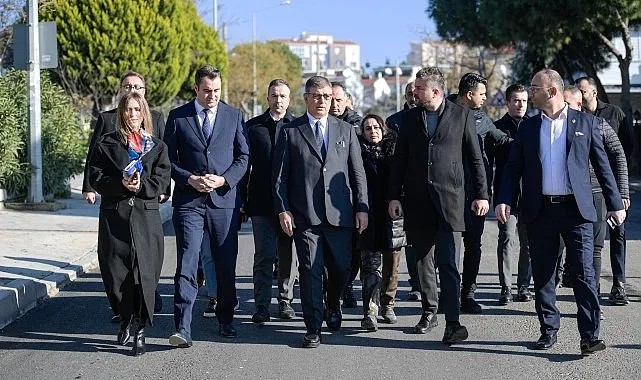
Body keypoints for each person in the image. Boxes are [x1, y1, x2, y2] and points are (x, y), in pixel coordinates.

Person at [496, 69, 625, 355]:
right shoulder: (528, 128)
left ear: (551, 91)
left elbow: (603, 166)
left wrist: (616, 202)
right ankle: (548, 330)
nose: (531, 93)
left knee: (584, 274)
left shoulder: (586, 123)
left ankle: (590, 336)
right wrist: (503, 198)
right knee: (543, 275)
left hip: (576, 211)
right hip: (540, 210)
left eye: (534, 88)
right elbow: (513, 167)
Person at [388, 66, 489, 344]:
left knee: (448, 262)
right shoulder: (409, 119)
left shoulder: (462, 116)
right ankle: (429, 312)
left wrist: (482, 194)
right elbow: (400, 160)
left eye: (419, 88)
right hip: (418, 201)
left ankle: (453, 322)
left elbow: (475, 158)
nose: (414, 92)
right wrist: (394, 196)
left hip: (451, 201)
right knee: (423, 262)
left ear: (435, 91)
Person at [272, 75, 368, 348]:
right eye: (316, 96)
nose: (322, 101)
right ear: (306, 99)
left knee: (341, 267)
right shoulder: (291, 131)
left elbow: (357, 173)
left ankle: (334, 302)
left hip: (340, 214)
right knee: (310, 271)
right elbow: (279, 178)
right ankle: (313, 327)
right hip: (305, 216)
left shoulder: (346, 130)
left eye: (327, 97)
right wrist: (283, 210)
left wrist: (362, 207)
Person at [164, 65, 249, 346]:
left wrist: (224, 180)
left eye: (216, 91)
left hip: (223, 202)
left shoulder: (234, 116)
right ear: (196, 90)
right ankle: (182, 328)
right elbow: (168, 160)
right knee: (188, 262)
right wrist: (190, 178)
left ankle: (226, 319)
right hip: (190, 202)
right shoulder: (178, 117)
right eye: (207, 91)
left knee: (225, 262)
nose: (212, 96)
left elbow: (243, 157)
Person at [88, 91, 171, 356]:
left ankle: (141, 328)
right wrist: (119, 185)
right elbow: (96, 177)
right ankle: (124, 317)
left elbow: (162, 180)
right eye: (128, 109)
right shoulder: (106, 144)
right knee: (116, 273)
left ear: (144, 112)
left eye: (137, 109)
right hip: (115, 215)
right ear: (122, 113)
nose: (133, 114)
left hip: (146, 217)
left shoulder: (156, 146)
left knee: (143, 274)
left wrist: (141, 185)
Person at [563, 85, 628, 313]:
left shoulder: (597, 124)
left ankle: (595, 300)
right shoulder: (553, 127)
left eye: (567, 105)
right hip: (567, 197)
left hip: (597, 193)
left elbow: (619, 156)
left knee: (595, 250)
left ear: (579, 105)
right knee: (562, 249)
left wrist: (621, 193)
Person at [455, 73, 512, 314]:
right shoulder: (444, 113)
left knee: (473, 246)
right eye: (481, 94)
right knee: (445, 247)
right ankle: (443, 295)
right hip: (447, 193)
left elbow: (503, 142)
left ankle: (467, 294)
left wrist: (530, 142)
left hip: (476, 195)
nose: (485, 98)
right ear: (469, 95)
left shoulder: (483, 119)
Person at [244, 79, 297, 324]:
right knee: (264, 255)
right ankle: (262, 305)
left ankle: (285, 301)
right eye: (274, 96)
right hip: (261, 203)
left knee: (287, 255)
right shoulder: (253, 127)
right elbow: (244, 166)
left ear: (290, 98)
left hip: (290, 204)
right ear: (267, 98)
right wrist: (242, 200)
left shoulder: (297, 127)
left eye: (283, 96)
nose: (278, 100)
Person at [357, 114, 405, 332]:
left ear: (383, 129)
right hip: (368, 216)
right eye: (368, 129)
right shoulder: (357, 154)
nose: (372, 131)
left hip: (392, 215)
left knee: (392, 264)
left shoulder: (394, 152)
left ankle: (388, 304)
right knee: (369, 265)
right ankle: (370, 311)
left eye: (376, 127)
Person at [490, 84, 532, 305]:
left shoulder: (535, 126)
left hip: (531, 194)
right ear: (507, 102)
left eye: (524, 101)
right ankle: (506, 287)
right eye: (516, 100)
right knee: (506, 239)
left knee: (528, 243)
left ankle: (523, 286)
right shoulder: (497, 128)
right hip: (507, 195)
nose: (520, 105)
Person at [386, 81, 422, 301]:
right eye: (409, 93)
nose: (413, 96)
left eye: (415, 92)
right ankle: (416, 283)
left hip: (426, 186)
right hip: (405, 187)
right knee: (409, 240)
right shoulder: (395, 121)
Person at [330, 81, 363, 307]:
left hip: (351, 196)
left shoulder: (357, 126)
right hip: (328, 197)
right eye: (330, 99)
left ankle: (347, 285)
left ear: (347, 101)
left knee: (353, 249)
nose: (333, 104)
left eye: (338, 100)